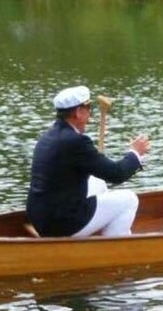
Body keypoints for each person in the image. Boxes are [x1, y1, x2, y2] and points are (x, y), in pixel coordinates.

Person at [26, 85, 150, 237]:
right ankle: (116, 247)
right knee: (129, 199)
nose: (90, 115)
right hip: (61, 224)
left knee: (98, 183)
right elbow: (117, 174)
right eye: (89, 108)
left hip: (39, 218)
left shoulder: (47, 137)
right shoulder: (76, 142)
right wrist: (135, 153)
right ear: (78, 112)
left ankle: (99, 229)